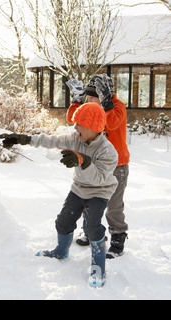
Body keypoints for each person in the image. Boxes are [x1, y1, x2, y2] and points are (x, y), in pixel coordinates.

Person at [0, 102, 118, 287]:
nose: (75, 127)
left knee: (92, 228)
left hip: (99, 192)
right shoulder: (75, 138)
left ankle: (98, 267)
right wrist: (23, 139)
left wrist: (82, 160)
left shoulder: (108, 151)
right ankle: (61, 251)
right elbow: (51, 140)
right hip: (79, 188)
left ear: (93, 127)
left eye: (79, 124)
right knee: (63, 221)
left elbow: (99, 179)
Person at [66, 74, 130, 258]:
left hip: (117, 166)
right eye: (88, 97)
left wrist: (107, 103)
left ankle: (118, 236)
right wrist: (77, 101)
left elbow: (112, 122)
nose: (91, 101)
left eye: (95, 97)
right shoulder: (90, 108)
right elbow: (73, 119)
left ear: (106, 95)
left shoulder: (117, 107)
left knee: (114, 204)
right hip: (92, 164)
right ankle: (89, 230)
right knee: (89, 199)